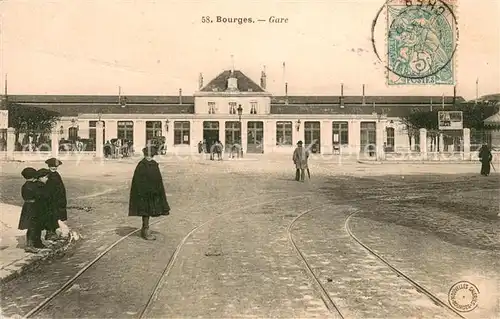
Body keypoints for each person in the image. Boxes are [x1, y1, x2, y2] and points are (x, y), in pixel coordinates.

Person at [129, 146, 170, 240]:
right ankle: (146, 231)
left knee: (146, 211)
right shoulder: (149, 165)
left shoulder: (143, 164)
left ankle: (144, 229)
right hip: (148, 193)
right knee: (146, 211)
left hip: (145, 192)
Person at [18, 167, 42, 253]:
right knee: (33, 226)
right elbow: (38, 195)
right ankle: (30, 245)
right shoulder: (32, 186)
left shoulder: (25, 185)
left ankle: (31, 244)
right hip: (33, 207)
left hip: (27, 206)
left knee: (31, 226)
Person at [44, 157, 67, 241]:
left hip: (57, 199)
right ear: (49, 166)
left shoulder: (57, 174)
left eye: (55, 166)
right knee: (50, 216)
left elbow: (61, 187)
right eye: (52, 166)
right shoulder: (47, 174)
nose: (54, 168)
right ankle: (49, 233)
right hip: (50, 200)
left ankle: (54, 232)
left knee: (56, 216)